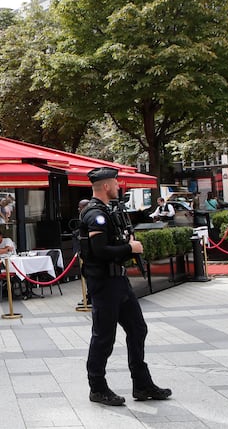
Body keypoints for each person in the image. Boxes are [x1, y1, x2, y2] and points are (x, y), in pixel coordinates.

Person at [79, 167, 171, 406]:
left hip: (118, 281)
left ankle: (142, 384)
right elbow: (99, 251)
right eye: (116, 183)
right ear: (107, 186)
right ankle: (97, 388)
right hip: (104, 284)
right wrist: (131, 249)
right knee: (103, 337)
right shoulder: (94, 214)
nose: (119, 187)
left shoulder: (108, 212)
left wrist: (126, 245)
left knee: (138, 328)